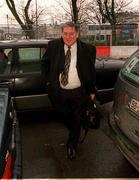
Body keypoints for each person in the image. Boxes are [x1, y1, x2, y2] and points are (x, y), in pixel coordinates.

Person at [41, 21, 96, 160]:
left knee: (75, 119)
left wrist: (91, 91)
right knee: (63, 115)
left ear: (77, 34)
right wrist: (48, 81)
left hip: (78, 92)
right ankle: (75, 127)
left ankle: (72, 144)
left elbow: (91, 72)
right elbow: (45, 63)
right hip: (59, 92)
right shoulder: (53, 46)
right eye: (65, 33)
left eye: (71, 33)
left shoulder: (89, 49)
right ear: (61, 34)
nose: (68, 36)